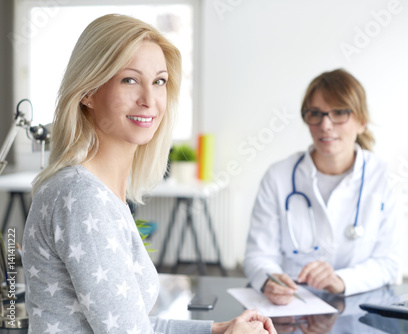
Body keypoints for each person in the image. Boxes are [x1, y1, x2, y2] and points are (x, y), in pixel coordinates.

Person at [22, 14, 276, 334]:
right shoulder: (83, 198)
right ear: (87, 91)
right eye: (129, 80)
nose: (149, 100)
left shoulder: (102, 192)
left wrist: (216, 329)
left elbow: (132, 325)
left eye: (159, 81)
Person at [243, 69, 400, 305]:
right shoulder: (278, 176)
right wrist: (270, 279)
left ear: (362, 121)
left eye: (339, 113)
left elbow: (388, 262)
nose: (325, 125)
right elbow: (258, 255)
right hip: (292, 305)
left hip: (358, 305)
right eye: (315, 113)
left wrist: (341, 280)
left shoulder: (383, 178)